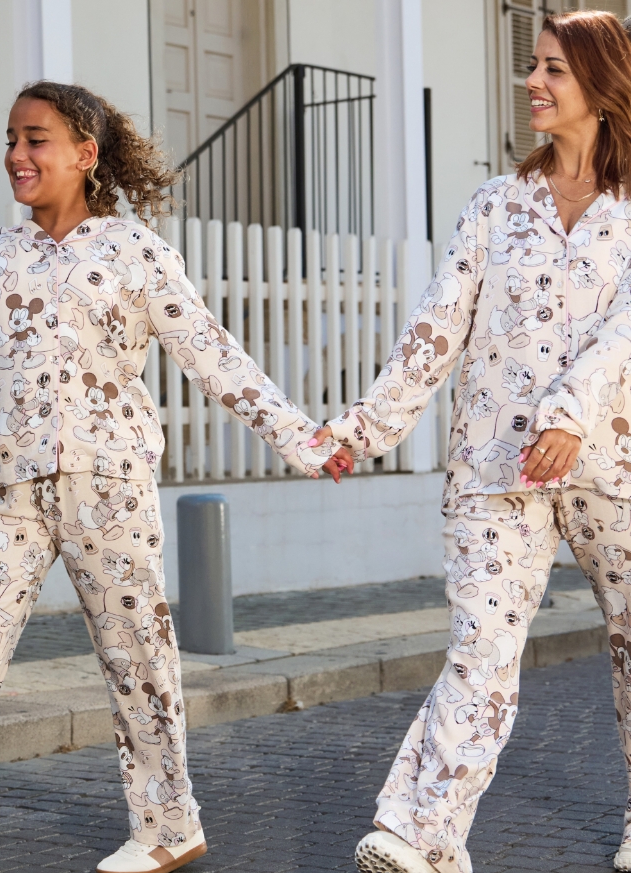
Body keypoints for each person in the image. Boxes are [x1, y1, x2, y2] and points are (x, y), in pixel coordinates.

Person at [0, 82, 351, 873]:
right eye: (10, 138)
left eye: (35, 139)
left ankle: (167, 825)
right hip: (6, 492)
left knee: (137, 660)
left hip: (108, 486)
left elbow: (214, 357)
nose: (17, 155)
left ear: (85, 154)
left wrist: (305, 439)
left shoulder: (135, 252)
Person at [312, 10, 631, 873]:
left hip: (616, 466)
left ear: (602, 87)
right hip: (497, 466)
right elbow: (434, 331)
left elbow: (624, 329)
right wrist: (364, 427)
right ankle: (421, 836)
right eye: (533, 66)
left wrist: (570, 411)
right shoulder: (495, 205)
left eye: (555, 70)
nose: (532, 81)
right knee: (481, 653)